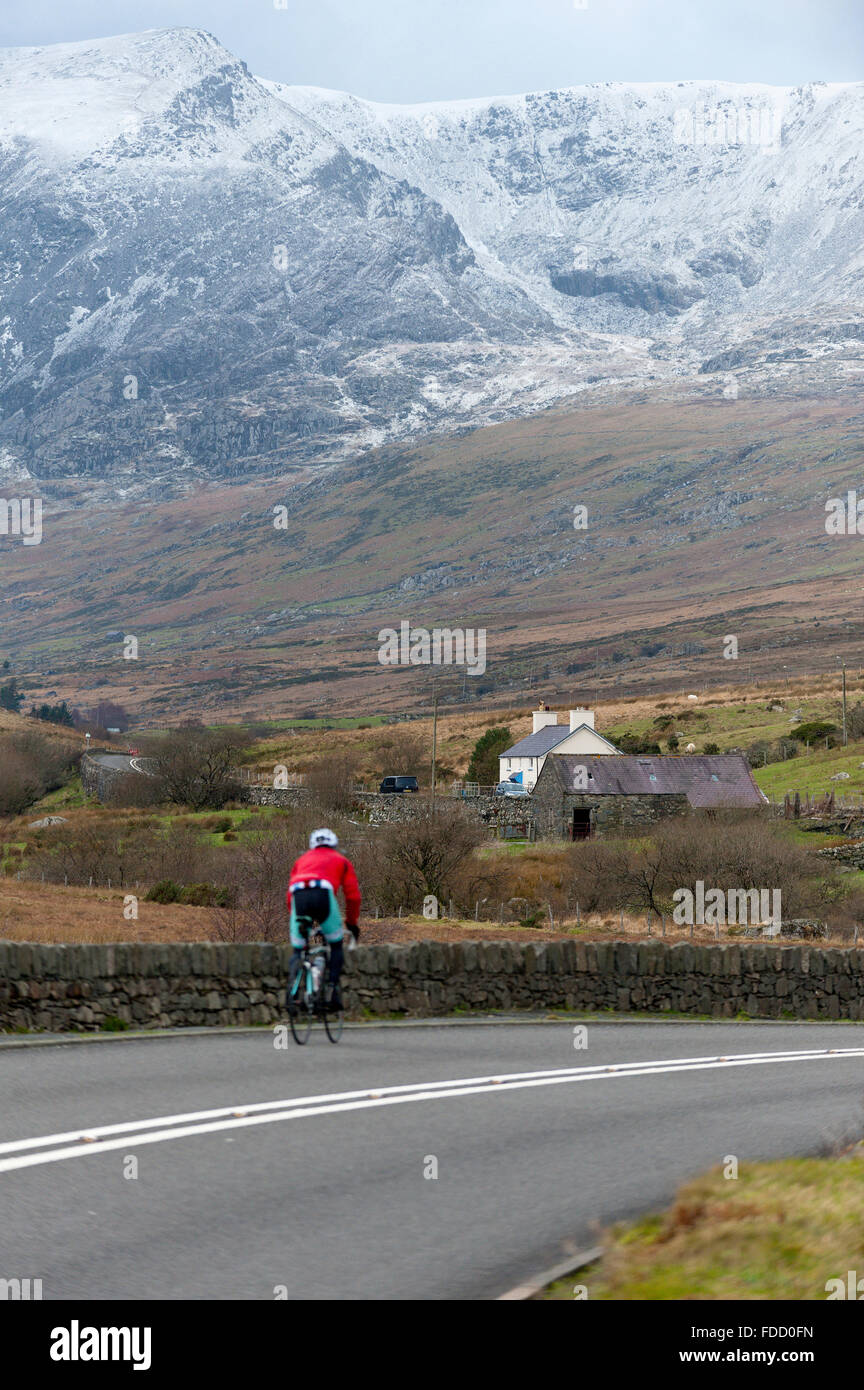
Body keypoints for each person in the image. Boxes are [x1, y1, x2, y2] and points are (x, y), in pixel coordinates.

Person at [286, 828, 361, 1012]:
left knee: (298, 948)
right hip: (323, 894)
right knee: (336, 944)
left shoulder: (301, 860)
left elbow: (289, 898)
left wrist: (300, 922)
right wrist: (351, 923)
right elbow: (353, 897)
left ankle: (293, 994)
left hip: (298, 896)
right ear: (333, 845)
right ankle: (331, 990)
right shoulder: (341, 860)